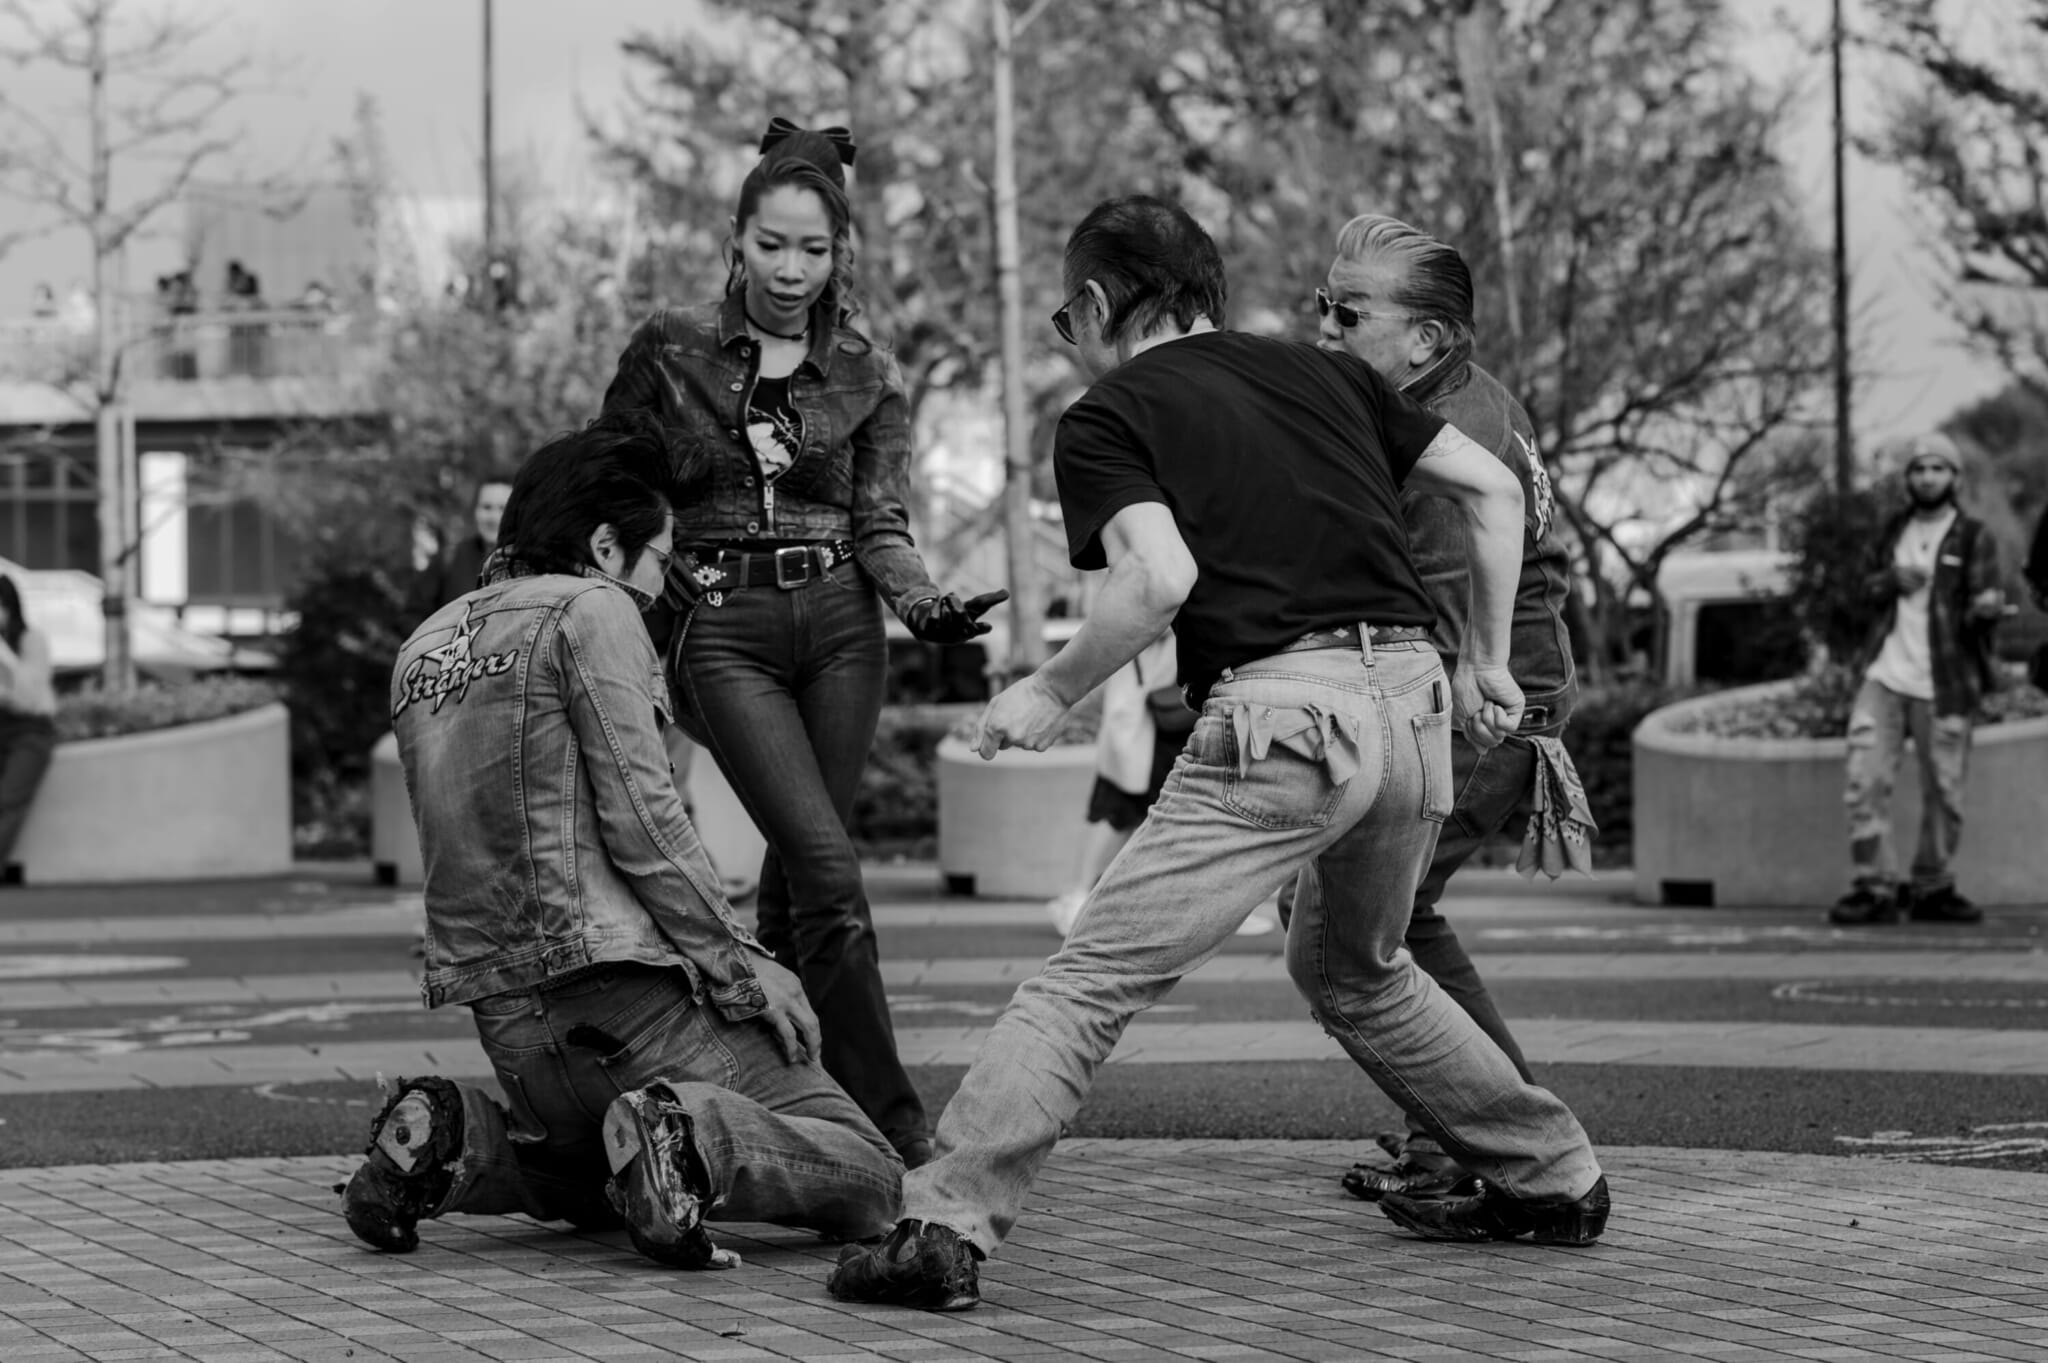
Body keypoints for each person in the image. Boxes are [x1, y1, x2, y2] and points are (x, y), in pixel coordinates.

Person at [827, 196, 1608, 1314]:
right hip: (1413, 707)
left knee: (1085, 980)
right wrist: (1486, 660)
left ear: (1095, 306)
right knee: (1356, 968)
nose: (1069, 341)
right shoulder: (1331, 374)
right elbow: (1487, 490)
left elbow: (1157, 581)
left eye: (1064, 319)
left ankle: (941, 1224)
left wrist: (1049, 690)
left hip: (1286, 716)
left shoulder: (1111, 412)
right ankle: (1553, 1175)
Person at [340, 416, 903, 1268]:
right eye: (661, 556)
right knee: (869, 1170)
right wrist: (747, 968)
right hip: (628, 1001)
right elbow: (645, 824)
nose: (663, 581)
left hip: (513, 1027)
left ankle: (456, 1140)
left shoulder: (426, 643)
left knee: (597, 1176)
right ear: (606, 545)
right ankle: (688, 1135)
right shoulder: (592, 609)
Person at [600, 118, 1002, 1170]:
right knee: (828, 863)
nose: (789, 269)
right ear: (735, 240)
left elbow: (880, 525)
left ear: (840, 255)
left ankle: (772, 1092)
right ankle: (893, 1120)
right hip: (719, 623)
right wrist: (654, 556)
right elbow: (611, 469)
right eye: (770, 244)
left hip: (839, 627)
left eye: (812, 249)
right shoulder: (668, 345)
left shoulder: (867, 371)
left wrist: (924, 609)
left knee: (791, 881)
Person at [1306, 214, 1592, 1204]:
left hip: (1484, 701)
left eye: (1348, 313)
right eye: (1320, 304)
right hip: (1494, 689)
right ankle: (1464, 1134)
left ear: (1424, 339)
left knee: (1380, 924)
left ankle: (1507, 1147)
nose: (1325, 328)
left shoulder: (1447, 439)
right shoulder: (1443, 403)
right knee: (1378, 922)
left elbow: (1414, 616)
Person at [1827, 432, 2005, 927]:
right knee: (1865, 779)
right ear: (1908, 479)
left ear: (1955, 478)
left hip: (1945, 680)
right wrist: (1890, 581)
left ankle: (1932, 885)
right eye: (1919, 469)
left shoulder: (1973, 536)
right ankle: (1875, 886)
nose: (1928, 477)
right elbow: (1860, 591)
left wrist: (1984, 608)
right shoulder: (1891, 531)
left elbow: (1984, 605)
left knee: (1945, 789)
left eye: (1938, 468)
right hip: (1885, 675)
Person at [1045, 629, 1273, 938]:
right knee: (1116, 808)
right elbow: (1149, 615)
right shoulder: (1146, 584)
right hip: (1144, 712)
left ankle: (1218, 905)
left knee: (1196, 812)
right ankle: (1075, 895)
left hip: (1177, 713)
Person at [0, 576, 57, 875]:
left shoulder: (31, 641)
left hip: (30, 731)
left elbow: (30, 696)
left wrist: (4, 653)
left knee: (8, 800)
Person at [410, 478, 512, 620]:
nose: (494, 517)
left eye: (503, 508)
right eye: (487, 507)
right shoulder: (449, 559)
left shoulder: (531, 565)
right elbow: (412, 616)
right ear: (475, 511)